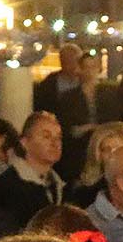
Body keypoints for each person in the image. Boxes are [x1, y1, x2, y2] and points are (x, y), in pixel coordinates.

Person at [33, 44, 103, 180]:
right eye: (67, 61)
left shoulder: (104, 94)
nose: (71, 65)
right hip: (72, 150)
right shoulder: (53, 87)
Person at [0, 111, 68, 223]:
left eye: (59, 137)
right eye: (46, 136)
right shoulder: (8, 187)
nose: (55, 143)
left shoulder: (60, 186)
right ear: (25, 142)